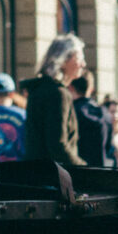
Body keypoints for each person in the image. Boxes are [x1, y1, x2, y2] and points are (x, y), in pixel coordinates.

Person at [21, 34, 87, 165]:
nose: (83, 64)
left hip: (38, 175)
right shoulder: (58, 93)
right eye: (79, 58)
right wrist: (83, 168)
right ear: (62, 61)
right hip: (52, 178)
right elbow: (58, 145)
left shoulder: (41, 89)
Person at [69, 71, 114, 167]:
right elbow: (109, 145)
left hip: (80, 170)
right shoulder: (105, 112)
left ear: (71, 87)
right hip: (103, 169)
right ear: (92, 88)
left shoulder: (72, 112)